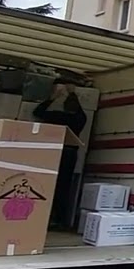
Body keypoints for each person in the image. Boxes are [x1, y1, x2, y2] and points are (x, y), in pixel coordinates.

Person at [32, 83, 87, 230]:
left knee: (47, 184)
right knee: (64, 187)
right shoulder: (79, 120)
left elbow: (38, 111)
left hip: (55, 152)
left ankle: (44, 216)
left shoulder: (56, 116)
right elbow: (82, 114)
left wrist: (52, 98)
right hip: (70, 154)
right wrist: (72, 93)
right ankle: (60, 220)